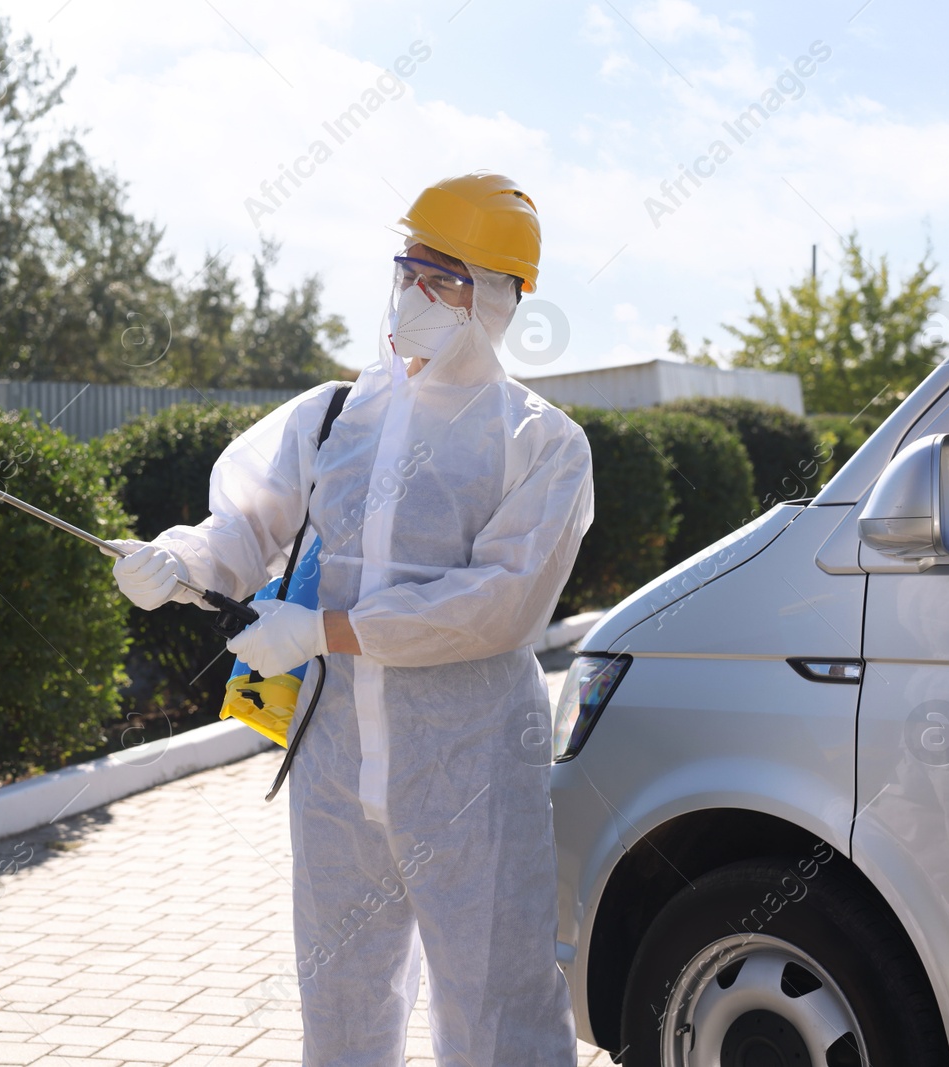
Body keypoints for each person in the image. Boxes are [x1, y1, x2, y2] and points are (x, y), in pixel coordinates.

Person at [113, 172, 594, 1066]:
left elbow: (499, 604)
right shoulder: (335, 415)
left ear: (497, 296)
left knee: (498, 1008)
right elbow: (246, 527)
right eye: (408, 264)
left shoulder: (541, 442)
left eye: (440, 274)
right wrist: (177, 562)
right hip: (335, 764)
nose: (413, 288)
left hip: (471, 772)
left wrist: (325, 631)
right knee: (340, 1002)